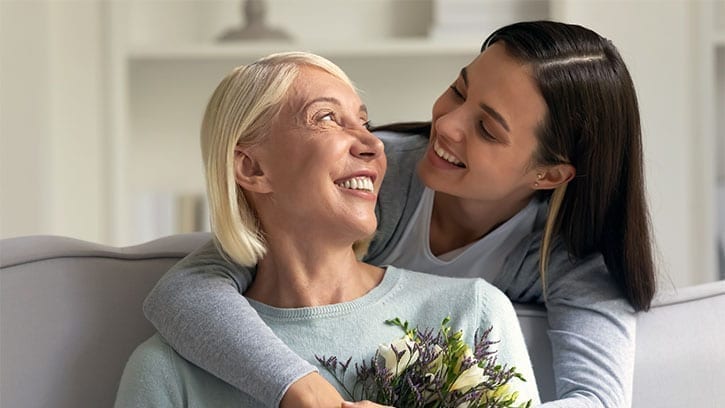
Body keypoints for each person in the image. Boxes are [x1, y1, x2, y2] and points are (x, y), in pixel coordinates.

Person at [143, 21, 656, 407]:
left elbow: (598, 401)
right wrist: (301, 388)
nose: (448, 124)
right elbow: (187, 289)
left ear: (548, 175)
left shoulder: (567, 258)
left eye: (488, 129)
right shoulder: (371, 174)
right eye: (459, 89)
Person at [114, 51, 539, 407]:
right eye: (327, 119)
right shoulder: (167, 369)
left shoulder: (471, 313)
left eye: (365, 123)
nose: (373, 144)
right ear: (252, 167)